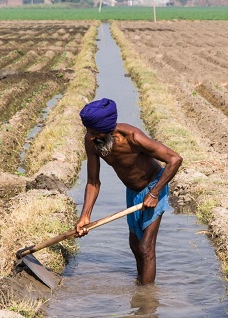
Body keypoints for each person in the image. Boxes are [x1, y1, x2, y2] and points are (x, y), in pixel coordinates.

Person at [75, 98, 183, 285]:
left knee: (146, 247)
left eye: (94, 133)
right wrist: (85, 216)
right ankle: (141, 281)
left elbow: (175, 159)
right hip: (132, 191)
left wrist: (154, 193)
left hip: (153, 186)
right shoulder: (92, 141)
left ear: (108, 130)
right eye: (88, 132)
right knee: (135, 244)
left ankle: (147, 302)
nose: (90, 137)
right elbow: (93, 181)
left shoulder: (133, 138)